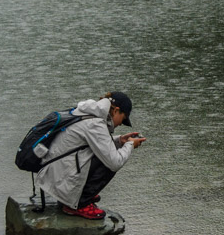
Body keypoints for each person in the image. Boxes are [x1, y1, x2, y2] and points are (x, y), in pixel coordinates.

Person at [36, 90, 145, 219]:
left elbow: (91, 143)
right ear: (116, 111)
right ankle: (79, 204)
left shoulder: (89, 113)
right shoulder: (96, 123)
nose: (121, 124)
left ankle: (77, 195)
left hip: (55, 175)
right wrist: (130, 145)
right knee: (110, 162)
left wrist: (119, 140)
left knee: (106, 154)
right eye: (123, 119)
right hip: (60, 180)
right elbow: (115, 162)